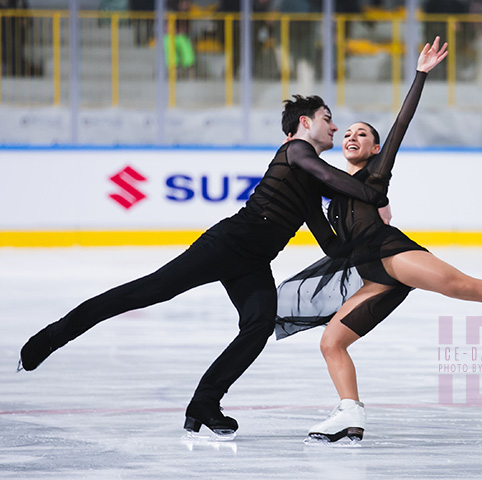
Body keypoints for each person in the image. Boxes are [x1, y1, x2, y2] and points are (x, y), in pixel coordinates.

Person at [18, 95, 391, 438]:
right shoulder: (295, 150)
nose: (335, 128)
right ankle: (51, 337)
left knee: (259, 325)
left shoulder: (309, 177)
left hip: (255, 261)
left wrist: (374, 245)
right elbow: (332, 178)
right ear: (305, 124)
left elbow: (329, 242)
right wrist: (373, 192)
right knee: (148, 292)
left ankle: (204, 403)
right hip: (227, 243)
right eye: (328, 119)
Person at [275, 37, 482, 443]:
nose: (351, 137)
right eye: (347, 133)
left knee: (464, 286)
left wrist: (420, 74)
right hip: (369, 275)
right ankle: (350, 413)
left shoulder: (374, 175)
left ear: (375, 148)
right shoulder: (331, 188)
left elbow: (401, 122)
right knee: (332, 342)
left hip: (392, 254)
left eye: (362, 134)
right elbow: (328, 236)